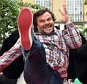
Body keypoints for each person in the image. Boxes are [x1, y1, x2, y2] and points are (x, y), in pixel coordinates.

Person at [0, 5, 82, 84]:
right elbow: (11, 53)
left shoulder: (62, 34)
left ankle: (32, 45)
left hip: (56, 75)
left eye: (49, 19)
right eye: (42, 21)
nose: (46, 23)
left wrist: (68, 22)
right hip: (34, 72)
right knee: (37, 46)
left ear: (53, 20)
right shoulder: (31, 38)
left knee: (34, 45)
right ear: (37, 25)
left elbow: (76, 44)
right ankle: (31, 41)